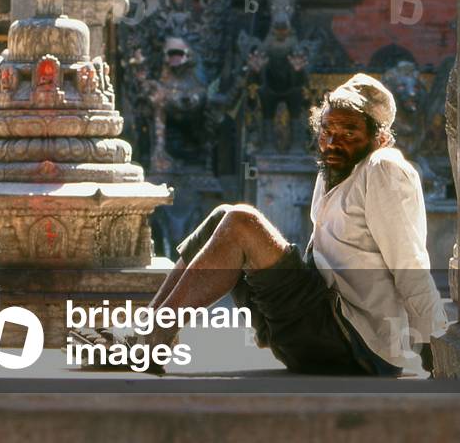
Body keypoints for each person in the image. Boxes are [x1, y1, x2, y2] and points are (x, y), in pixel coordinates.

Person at [74, 73, 449, 376]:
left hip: (353, 343)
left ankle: (148, 343)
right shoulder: (335, 171)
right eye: (328, 131)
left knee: (242, 221)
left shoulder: (384, 168)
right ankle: (149, 332)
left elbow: (410, 262)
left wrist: (436, 344)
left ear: (378, 137)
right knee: (225, 215)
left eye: (350, 133)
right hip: (318, 325)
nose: (334, 142)